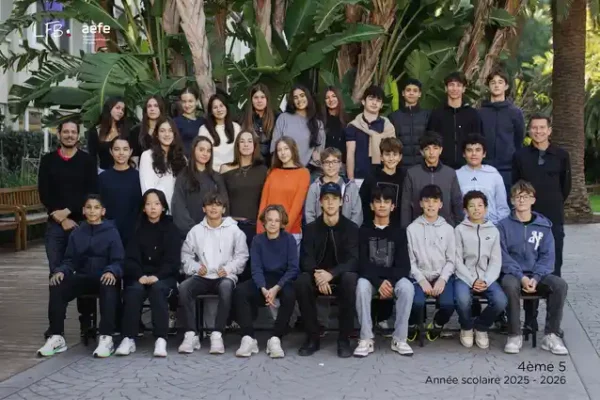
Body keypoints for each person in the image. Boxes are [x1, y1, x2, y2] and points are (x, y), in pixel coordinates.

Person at [37, 195, 123, 358]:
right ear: (83, 210)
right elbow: (70, 260)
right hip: (83, 277)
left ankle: (106, 337)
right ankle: (56, 336)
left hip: (103, 277)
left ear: (103, 211)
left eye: (96, 207)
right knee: (57, 283)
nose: (92, 211)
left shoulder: (111, 232)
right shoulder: (77, 232)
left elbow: (118, 260)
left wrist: (111, 271)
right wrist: (61, 271)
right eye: (88, 207)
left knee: (109, 284)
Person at [38, 119, 98, 336]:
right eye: (66, 132)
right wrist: (61, 217)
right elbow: (44, 192)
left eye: (73, 132)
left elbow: (91, 192)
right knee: (56, 274)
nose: (70, 135)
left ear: (78, 135)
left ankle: (87, 323)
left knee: (84, 271)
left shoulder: (87, 161)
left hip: (81, 225)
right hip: (55, 226)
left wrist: (69, 211)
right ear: (59, 134)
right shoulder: (48, 161)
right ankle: (56, 326)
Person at [498, 180, 569, 355]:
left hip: (538, 274)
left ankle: (551, 335)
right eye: (517, 197)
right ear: (512, 201)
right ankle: (514, 334)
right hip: (514, 273)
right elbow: (503, 256)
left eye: (526, 196)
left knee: (559, 285)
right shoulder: (503, 226)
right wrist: (521, 277)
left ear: (533, 200)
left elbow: (547, 257)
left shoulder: (544, 226)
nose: (521, 200)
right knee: (509, 284)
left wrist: (536, 278)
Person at [178, 192, 249, 355]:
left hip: (224, 276)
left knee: (226, 287)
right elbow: (186, 256)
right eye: (210, 204)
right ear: (204, 208)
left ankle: (217, 334)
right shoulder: (196, 231)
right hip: (202, 276)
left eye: (218, 205)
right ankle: (191, 334)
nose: (213, 208)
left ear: (223, 209)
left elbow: (242, 256)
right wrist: (196, 267)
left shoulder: (234, 230)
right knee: (184, 288)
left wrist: (229, 268)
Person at [295, 182, 359, 358]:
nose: (330, 203)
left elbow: (354, 260)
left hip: (340, 275)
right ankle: (312, 338)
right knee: (301, 282)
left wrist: (331, 274)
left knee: (350, 279)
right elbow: (305, 259)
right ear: (320, 202)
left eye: (335, 199)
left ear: (341, 202)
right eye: (326, 199)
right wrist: (318, 275)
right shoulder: (311, 228)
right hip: (317, 275)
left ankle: (344, 340)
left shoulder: (351, 228)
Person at [115, 189, 180, 358]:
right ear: (143, 208)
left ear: (163, 207)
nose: (153, 207)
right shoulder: (136, 228)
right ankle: (128, 338)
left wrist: (158, 276)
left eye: (157, 204)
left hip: (163, 276)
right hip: (140, 275)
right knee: (133, 291)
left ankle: (161, 338)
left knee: (158, 290)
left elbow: (173, 261)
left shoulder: (171, 229)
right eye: (149, 204)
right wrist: (140, 275)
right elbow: (130, 258)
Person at [354, 187, 414, 357]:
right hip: (372, 280)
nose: (382, 205)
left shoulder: (399, 232)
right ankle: (366, 338)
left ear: (392, 206)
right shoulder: (363, 231)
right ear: (371, 206)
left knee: (407, 287)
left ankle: (400, 339)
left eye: (386, 202)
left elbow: (404, 266)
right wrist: (379, 282)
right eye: (378, 201)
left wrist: (390, 283)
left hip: (393, 280)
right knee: (361, 286)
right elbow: (362, 263)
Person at [233, 205, 299, 358]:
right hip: (262, 280)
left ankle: (275, 338)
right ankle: (248, 338)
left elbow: (293, 269)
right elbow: (256, 268)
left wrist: (276, 288)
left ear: (282, 223)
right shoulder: (258, 240)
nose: (273, 223)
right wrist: (263, 288)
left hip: (282, 280)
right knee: (240, 291)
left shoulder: (289, 239)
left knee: (290, 294)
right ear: (264, 222)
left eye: (277, 220)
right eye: (269, 220)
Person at [512, 114, 571, 277]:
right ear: (529, 131)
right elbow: (516, 185)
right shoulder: (519, 156)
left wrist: (553, 200)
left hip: (554, 214)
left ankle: (554, 291)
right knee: (529, 257)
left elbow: (566, 186)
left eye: (542, 127)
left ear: (549, 130)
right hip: (528, 215)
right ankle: (530, 292)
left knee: (554, 256)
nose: (538, 131)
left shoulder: (561, 155)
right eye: (534, 128)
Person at [454, 190, 507, 349]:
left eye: (480, 205)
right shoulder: (459, 230)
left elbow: (496, 261)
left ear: (486, 208)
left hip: (486, 277)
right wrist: (472, 280)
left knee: (500, 301)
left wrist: (486, 280)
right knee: (462, 300)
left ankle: (481, 327)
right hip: (464, 276)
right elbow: (457, 260)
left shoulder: (493, 230)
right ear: (465, 210)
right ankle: (466, 327)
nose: (476, 209)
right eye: (471, 206)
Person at [406, 185, 456, 342]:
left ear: (441, 204)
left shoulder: (448, 229)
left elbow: (452, 260)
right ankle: (413, 324)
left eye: (435, 201)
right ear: (421, 203)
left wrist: (443, 279)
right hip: (419, 275)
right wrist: (421, 280)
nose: (431, 205)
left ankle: (437, 324)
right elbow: (410, 261)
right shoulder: (412, 229)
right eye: (427, 201)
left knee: (448, 304)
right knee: (416, 303)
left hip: (441, 275)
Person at [221, 131, 268, 267]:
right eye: (242, 141)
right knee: (231, 268)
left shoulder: (263, 170)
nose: (246, 144)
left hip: (255, 227)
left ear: (255, 145)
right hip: (232, 226)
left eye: (249, 141)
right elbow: (222, 199)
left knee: (252, 267)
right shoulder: (225, 168)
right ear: (237, 145)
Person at [401, 132, 463, 228]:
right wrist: (406, 228)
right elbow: (406, 205)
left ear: (441, 150)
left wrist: (458, 226)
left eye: (435, 148)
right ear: (422, 152)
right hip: (419, 228)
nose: (431, 152)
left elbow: (457, 202)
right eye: (427, 149)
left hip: (446, 227)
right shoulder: (412, 173)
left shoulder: (450, 173)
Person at [258, 137, 311, 250]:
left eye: (286, 149)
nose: (283, 153)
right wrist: (260, 231)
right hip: (268, 232)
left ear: (293, 149)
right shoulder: (272, 172)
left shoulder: (303, 173)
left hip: (290, 233)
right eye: (279, 150)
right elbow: (264, 204)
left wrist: (281, 233)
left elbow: (297, 206)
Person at [172, 136, 228, 238]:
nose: (205, 153)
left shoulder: (216, 177)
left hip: (214, 234)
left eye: (208, 151)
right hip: (190, 234)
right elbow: (179, 207)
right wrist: (195, 231)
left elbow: (224, 205)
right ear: (194, 150)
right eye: (201, 150)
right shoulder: (183, 176)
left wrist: (216, 229)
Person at [479, 68, 525, 192]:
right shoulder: (480, 113)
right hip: (484, 167)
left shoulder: (515, 113)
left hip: (508, 170)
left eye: (500, 82)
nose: (496, 85)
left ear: (506, 86)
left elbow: (519, 140)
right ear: (488, 86)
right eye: (493, 82)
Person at [427, 71, 482, 169]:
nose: (455, 88)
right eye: (451, 85)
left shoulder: (473, 114)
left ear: (464, 89)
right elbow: (430, 141)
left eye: (458, 85)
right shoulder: (436, 114)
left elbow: (479, 141)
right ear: (446, 88)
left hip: (467, 166)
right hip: (442, 167)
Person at [345, 85, 395, 187]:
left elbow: (393, 153)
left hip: (382, 176)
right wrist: (351, 180)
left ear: (381, 105)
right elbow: (350, 153)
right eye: (371, 99)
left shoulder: (387, 126)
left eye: (378, 100)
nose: (374, 103)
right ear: (363, 101)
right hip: (359, 177)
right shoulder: (354, 126)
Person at [271, 84, 325, 177]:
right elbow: (274, 146)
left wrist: (305, 171)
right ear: (292, 101)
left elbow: (319, 152)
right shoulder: (283, 118)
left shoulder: (317, 124)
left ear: (308, 97)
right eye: (295, 97)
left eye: (302, 95)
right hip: (283, 171)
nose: (299, 99)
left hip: (307, 173)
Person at [456, 134, 510, 224]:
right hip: (465, 227)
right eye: (469, 150)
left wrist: (499, 227)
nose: (474, 154)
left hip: (492, 225)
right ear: (464, 154)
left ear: (484, 154)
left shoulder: (493, 174)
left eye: (478, 150)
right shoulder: (457, 175)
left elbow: (502, 207)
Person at [98, 137, 142, 248]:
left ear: (131, 152)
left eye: (125, 149)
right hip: (108, 233)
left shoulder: (139, 178)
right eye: (117, 149)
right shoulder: (103, 178)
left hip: (134, 235)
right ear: (111, 151)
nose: (121, 153)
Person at [305, 147, 362, 226]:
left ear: (340, 164)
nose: (331, 165)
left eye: (335, 161)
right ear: (321, 165)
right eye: (327, 162)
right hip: (320, 231)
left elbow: (357, 214)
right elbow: (309, 213)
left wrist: (350, 230)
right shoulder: (314, 187)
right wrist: (315, 230)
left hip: (347, 231)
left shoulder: (350, 187)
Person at [139, 117, 187, 210]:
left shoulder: (182, 158)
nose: (167, 134)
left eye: (170, 131)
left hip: (178, 210)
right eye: (162, 131)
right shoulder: (147, 156)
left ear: (174, 134)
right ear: (157, 134)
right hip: (157, 211)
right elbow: (147, 188)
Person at [360, 137, 405, 226]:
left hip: (397, 226)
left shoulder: (405, 177)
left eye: (395, 154)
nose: (391, 158)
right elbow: (363, 202)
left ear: (400, 157)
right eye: (387, 154)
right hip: (374, 225)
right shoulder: (371, 177)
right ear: (381, 157)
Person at [388, 78, 431, 169]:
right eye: (408, 90)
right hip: (400, 167)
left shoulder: (427, 115)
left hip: (423, 166)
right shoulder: (394, 117)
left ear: (419, 94)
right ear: (403, 93)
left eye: (415, 91)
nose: (411, 93)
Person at [198, 93, 241, 172]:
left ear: (226, 107)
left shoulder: (236, 127)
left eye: (221, 106)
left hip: (233, 171)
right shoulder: (204, 129)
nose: (219, 109)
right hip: (213, 173)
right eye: (215, 107)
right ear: (211, 111)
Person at [86, 97, 130, 172]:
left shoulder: (125, 130)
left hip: (123, 171)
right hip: (103, 171)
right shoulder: (95, 130)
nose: (120, 112)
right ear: (109, 108)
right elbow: (92, 156)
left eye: (123, 110)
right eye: (117, 108)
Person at [241, 84, 277, 166]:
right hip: (250, 164)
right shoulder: (244, 118)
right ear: (251, 100)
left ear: (267, 99)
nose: (259, 101)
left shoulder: (276, 117)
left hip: (272, 164)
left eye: (262, 97)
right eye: (256, 97)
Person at [130, 95, 167, 161]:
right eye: (149, 106)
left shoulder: (167, 128)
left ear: (161, 109)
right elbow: (134, 157)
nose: (152, 109)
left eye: (156, 106)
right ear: (145, 110)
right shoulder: (136, 130)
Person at [174, 86, 206, 157]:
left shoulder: (203, 121)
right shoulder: (176, 122)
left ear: (197, 101)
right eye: (184, 101)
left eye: (190, 101)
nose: (187, 105)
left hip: (203, 159)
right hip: (184, 160)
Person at [322, 86, 348, 163]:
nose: (331, 100)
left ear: (338, 98)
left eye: (334, 96)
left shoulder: (347, 119)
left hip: (342, 163)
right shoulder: (320, 120)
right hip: (324, 163)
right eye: (327, 98)